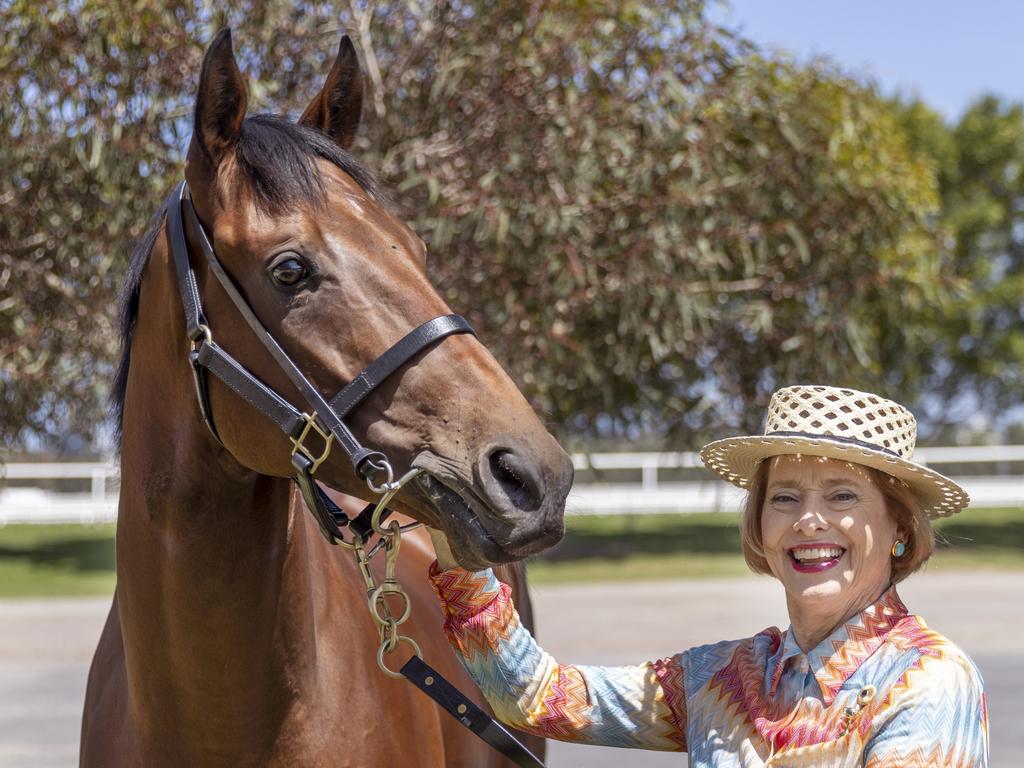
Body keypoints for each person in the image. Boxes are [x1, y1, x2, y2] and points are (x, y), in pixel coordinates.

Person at [428, 385, 989, 766]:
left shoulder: (928, 682)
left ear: (899, 528)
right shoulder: (724, 678)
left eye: (842, 496)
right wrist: (455, 541)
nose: (809, 520)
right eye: (785, 498)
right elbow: (538, 697)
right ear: (761, 527)